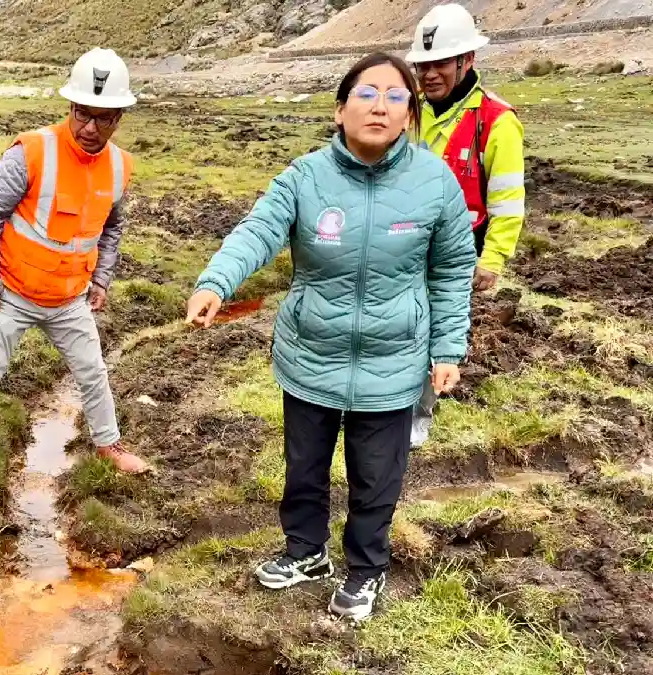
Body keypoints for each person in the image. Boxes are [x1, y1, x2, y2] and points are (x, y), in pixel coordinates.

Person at [184, 53, 476, 621]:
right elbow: (259, 231)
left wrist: (446, 348)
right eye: (368, 93)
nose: (381, 105)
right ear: (341, 109)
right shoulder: (306, 176)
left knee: (377, 478)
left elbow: (452, 269)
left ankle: (365, 572)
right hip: (311, 352)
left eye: (397, 96)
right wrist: (216, 282)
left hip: (393, 361)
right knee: (305, 467)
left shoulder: (433, 182)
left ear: (410, 116)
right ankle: (306, 552)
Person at [0, 48, 152, 496]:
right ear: (70, 106)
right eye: (82, 114)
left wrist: (101, 279)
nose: (90, 127)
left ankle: (109, 445)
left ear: (120, 117)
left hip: (69, 300)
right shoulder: (31, 152)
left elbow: (112, 227)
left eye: (103, 119)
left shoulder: (120, 167)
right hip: (10, 293)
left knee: (93, 371)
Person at [405, 4, 526, 448]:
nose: (429, 73)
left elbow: (508, 201)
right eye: (422, 64)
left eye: (439, 63)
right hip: (405, 240)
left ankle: (420, 412)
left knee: (436, 327)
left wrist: (492, 260)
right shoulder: (411, 113)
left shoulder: (496, 122)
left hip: (460, 249)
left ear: (467, 60)